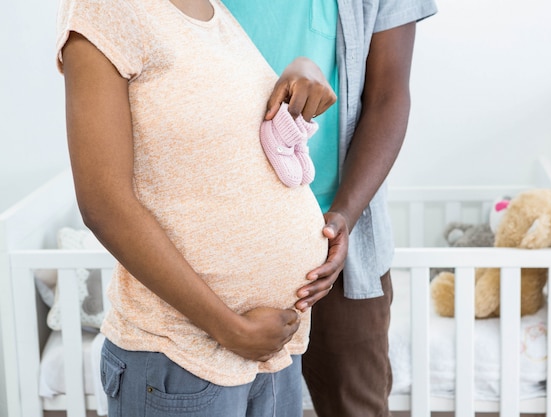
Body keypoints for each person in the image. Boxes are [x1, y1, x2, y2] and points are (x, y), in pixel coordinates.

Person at [56, 0, 343, 415]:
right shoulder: (104, 7)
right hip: (183, 355)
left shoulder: (214, 11)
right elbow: (104, 204)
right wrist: (231, 329)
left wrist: (302, 67)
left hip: (272, 353)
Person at [222, 1, 438, 416]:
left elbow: (389, 97)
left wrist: (343, 217)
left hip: (338, 240)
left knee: (355, 404)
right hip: (222, 241)